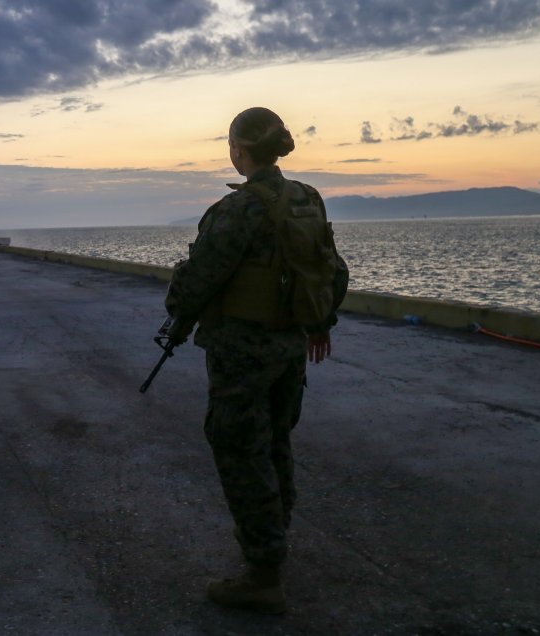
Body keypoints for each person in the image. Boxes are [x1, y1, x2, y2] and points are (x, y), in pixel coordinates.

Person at [164, 107, 348, 615]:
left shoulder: (237, 209)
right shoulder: (306, 199)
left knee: (241, 449)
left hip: (241, 351)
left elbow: (199, 277)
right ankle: (273, 538)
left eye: (231, 145)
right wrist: (319, 325)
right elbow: (332, 269)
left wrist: (177, 312)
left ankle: (264, 574)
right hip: (289, 347)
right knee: (274, 441)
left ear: (239, 150)